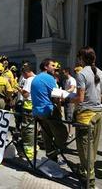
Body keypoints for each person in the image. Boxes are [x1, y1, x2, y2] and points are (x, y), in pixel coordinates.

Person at [68, 47, 102, 188]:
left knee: (84, 150)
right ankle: (85, 172)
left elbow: (80, 98)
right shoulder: (100, 72)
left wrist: (69, 99)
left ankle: (90, 182)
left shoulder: (81, 74)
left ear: (82, 58)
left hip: (86, 116)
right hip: (98, 113)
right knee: (92, 148)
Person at [31, 58, 68, 162]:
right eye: (52, 65)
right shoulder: (49, 78)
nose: (54, 67)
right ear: (45, 67)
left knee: (47, 134)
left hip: (38, 112)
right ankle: (54, 152)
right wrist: (64, 97)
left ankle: (51, 159)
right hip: (48, 110)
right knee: (63, 133)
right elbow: (56, 98)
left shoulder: (36, 78)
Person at [17, 65, 36, 160]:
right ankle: (34, 149)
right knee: (34, 129)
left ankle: (28, 154)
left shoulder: (28, 80)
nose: (23, 77)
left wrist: (19, 89)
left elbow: (26, 94)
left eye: (23, 75)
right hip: (36, 107)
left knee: (28, 130)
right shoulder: (37, 78)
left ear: (26, 72)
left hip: (28, 108)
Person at [62, 67, 77, 137]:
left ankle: (71, 133)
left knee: (70, 116)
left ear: (67, 72)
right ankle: (69, 131)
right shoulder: (66, 80)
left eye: (64, 72)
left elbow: (72, 88)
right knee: (67, 116)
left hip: (71, 100)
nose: (63, 74)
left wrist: (65, 92)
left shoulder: (72, 79)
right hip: (67, 99)